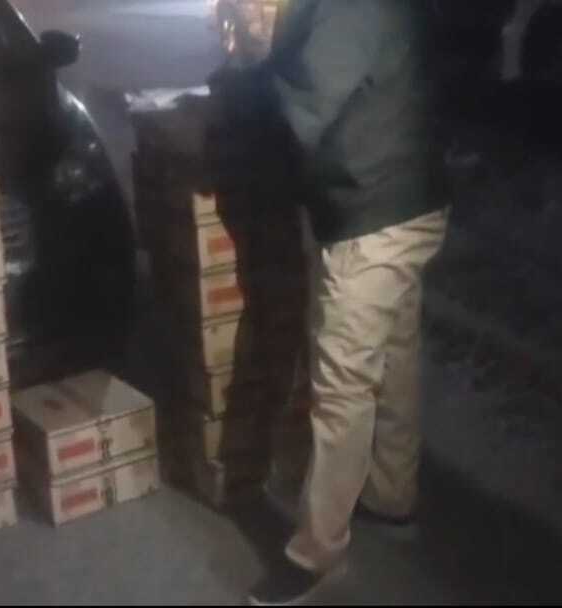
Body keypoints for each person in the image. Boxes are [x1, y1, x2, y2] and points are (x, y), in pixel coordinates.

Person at [210, 1, 450, 604]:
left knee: (342, 384)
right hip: (402, 197)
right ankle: (392, 498)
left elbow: (300, 114)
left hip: (374, 213)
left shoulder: (346, 11)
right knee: (393, 355)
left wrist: (240, 77)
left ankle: (316, 556)